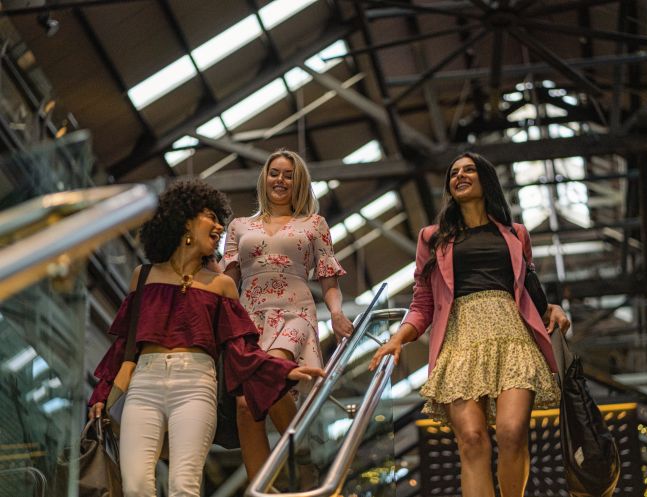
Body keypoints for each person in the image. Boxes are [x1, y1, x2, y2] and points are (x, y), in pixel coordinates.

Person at [87, 179, 323, 497]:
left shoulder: (221, 285)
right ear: (185, 219)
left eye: (220, 221)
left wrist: (284, 371)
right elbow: (123, 347)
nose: (218, 226)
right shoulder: (142, 276)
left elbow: (242, 350)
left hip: (195, 387)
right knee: (136, 486)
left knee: (184, 486)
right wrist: (100, 395)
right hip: (144, 385)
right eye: (210, 217)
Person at [369, 152, 571, 497]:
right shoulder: (433, 238)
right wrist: (397, 339)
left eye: (469, 170)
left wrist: (550, 307)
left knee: (511, 431)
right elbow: (423, 303)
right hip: (459, 341)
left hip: (512, 338)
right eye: (454, 173)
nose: (459, 176)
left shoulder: (515, 233)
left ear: (485, 180)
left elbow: (527, 289)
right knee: (473, 440)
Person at [223, 149, 352, 479]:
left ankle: (303, 455)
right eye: (274, 173)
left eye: (288, 175)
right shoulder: (239, 226)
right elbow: (228, 281)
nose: (280, 180)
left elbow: (329, 277)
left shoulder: (314, 224)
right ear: (264, 178)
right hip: (249, 317)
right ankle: (262, 486)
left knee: (275, 377)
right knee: (244, 405)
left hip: (295, 313)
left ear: (300, 183)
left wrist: (336, 314)